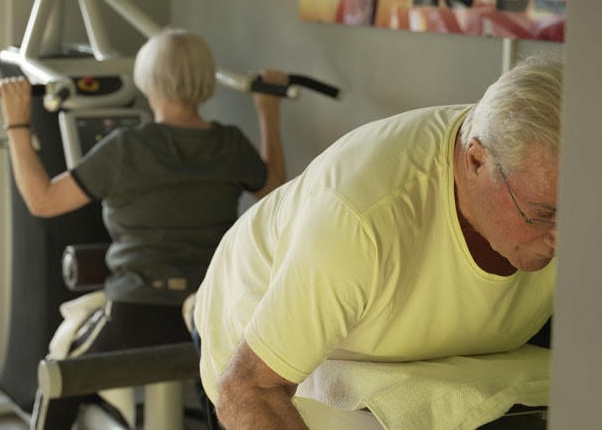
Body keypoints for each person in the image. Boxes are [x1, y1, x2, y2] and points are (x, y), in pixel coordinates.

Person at [192, 54, 562, 429]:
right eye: (543, 214)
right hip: (260, 346)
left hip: (430, 341)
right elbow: (248, 389)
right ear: (476, 161)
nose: (566, 238)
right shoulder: (359, 219)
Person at [0, 28, 289, 430]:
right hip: (207, 315)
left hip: (136, 315)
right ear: (205, 81)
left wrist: (16, 124)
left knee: (59, 375)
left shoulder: (125, 148)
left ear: (147, 80)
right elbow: (275, 190)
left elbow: (42, 200)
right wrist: (268, 111)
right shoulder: (231, 145)